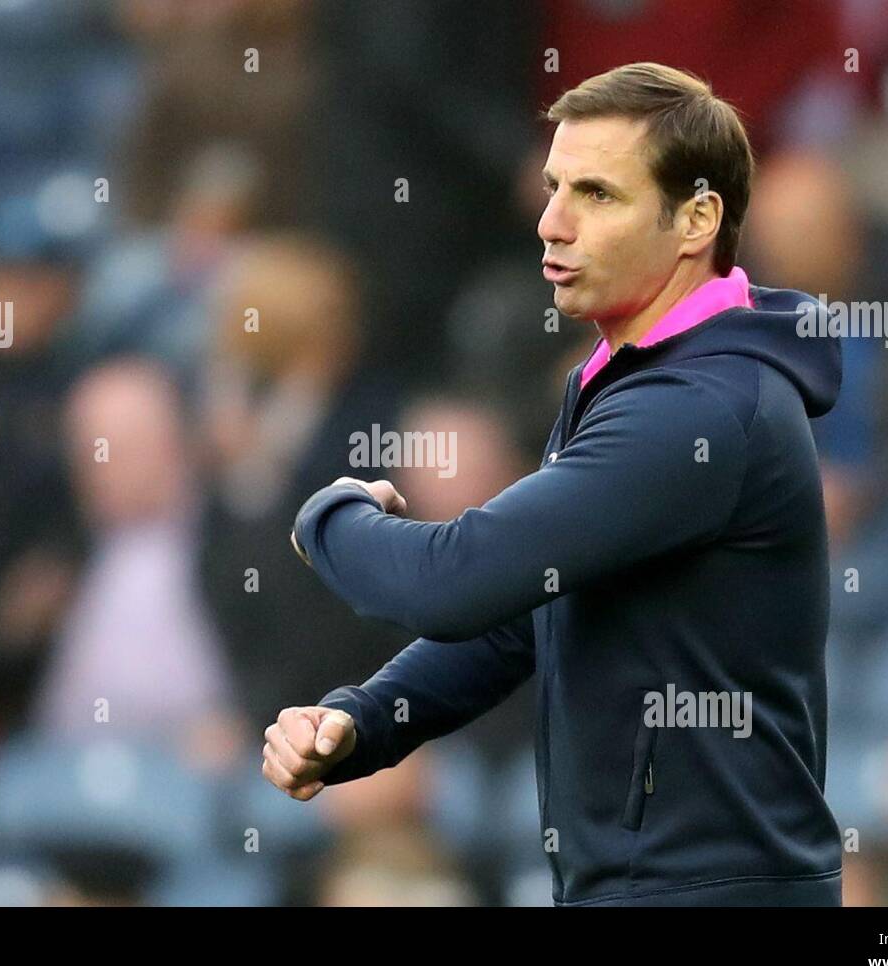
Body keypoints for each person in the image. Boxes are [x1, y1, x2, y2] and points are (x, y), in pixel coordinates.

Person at [268, 63, 844, 906]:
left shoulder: (695, 410)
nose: (551, 223)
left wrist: (330, 515)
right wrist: (369, 717)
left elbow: (455, 581)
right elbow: (526, 617)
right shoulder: (636, 383)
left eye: (597, 195)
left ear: (697, 219)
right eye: (553, 187)